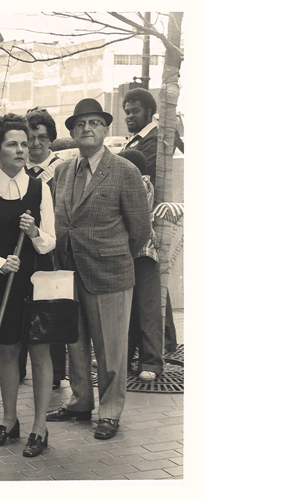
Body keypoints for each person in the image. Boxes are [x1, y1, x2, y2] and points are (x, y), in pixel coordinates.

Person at [46, 98, 151, 440]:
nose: (86, 129)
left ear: (106, 130)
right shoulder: (62, 171)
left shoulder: (124, 171)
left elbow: (140, 229)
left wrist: (113, 255)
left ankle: (109, 412)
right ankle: (80, 402)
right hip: (69, 272)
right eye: (80, 124)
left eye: (93, 123)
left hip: (110, 273)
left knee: (110, 350)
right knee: (75, 343)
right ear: (73, 132)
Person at [0, 114, 56, 457]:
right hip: (1, 281)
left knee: (39, 352)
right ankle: (9, 420)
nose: (22, 149)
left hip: (36, 280)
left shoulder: (40, 189)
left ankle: (39, 426)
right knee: (6, 351)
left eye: (25, 143)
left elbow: (50, 241)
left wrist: (34, 232)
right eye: (13, 144)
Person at [121, 88, 182, 354]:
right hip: (140, 216)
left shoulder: (155, 139)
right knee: (153, 286)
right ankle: (164, 342)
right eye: (127, 112)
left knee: (152, 287)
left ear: (149, 111)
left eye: (135, 111)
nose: (130, 117)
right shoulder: (135, 140)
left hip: (150, 217)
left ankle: (162, 344)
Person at [22, 107, 67, 390]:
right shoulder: (17, 168)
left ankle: (56, 373)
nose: (35, 143)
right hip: (22, 252)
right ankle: (18, 368)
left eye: (41, 137)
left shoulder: (62, 168)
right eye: (30, 137)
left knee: (53, 310)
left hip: (53, 251)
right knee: (21, 308)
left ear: (51, 138)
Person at [117, 149, 163, 382]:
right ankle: (124, 359)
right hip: (128, 253)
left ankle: (151, 363)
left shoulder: (141, 183)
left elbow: (132, 220)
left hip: (142, 253)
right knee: (128, 309)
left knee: (146, 309)